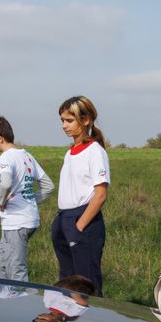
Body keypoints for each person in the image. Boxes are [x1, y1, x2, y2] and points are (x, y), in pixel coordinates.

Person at [0, 117, 53, 284]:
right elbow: (48, 186)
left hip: (17, 222)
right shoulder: (28, 156)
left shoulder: (6, 157)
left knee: (15, 268)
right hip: (25, 220)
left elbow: (5, 183)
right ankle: (3, 295)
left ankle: (21, 297)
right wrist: (30, 201)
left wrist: (1, 202)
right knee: (0, 259)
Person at [52, 96, 110, 296]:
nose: (63, 126)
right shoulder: (70, 153)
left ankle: (93, 316)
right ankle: (68, 314)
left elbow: (100, 194)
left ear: (85, 120)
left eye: (69, 121)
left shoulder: (95, 152)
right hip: (63, 219)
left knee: (86, 283)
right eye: (62, 120)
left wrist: (79, 226)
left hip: (82, 219)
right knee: (67, 283)